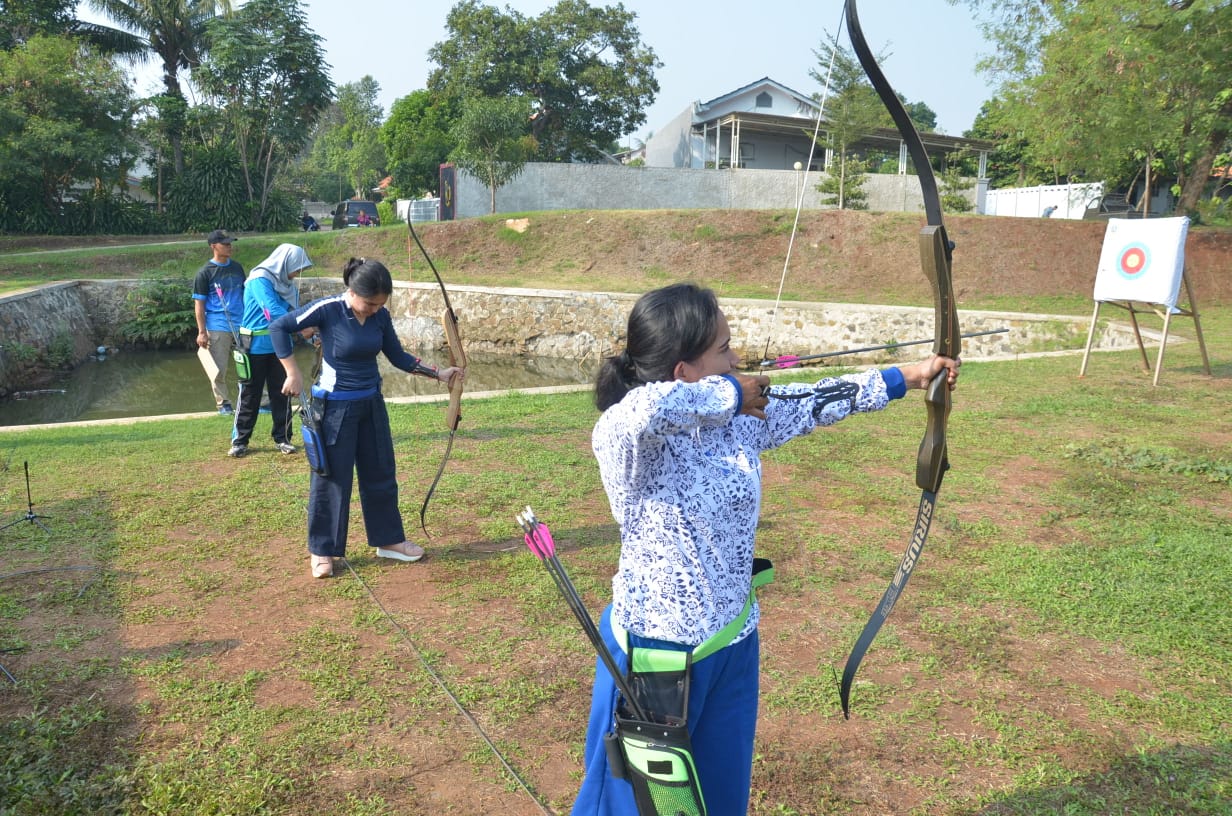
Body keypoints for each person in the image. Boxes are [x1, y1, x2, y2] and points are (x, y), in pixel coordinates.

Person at [574, 282, 960, 815]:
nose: (737, 360)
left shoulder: (737, 425)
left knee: (723, 792)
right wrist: (732, 393)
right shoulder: (630, 440)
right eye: (724, 350)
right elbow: (639, 411)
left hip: (732, 641)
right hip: (660, 655)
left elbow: (819, 400)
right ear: (683, 370)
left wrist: (907, 377)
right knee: (651, 807)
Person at [271, 257, 465, 579]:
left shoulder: (380, 317)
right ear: (352, 291)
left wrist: (439, 373)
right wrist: (292, 373)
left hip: (371, 404)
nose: (374, 309)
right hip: (334, 409)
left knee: (381, 473)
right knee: (332, 479)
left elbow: (398, 356)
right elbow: (279, 327)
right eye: (370, 303)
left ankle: (388, 540)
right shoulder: (328, 309)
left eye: (380, 304)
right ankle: (323, 550)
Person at [228, 244, 313, 459]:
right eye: (297, 268)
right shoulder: (259, 279)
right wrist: (302, 325)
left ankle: (283, 438)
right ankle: (240, 440)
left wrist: (313, 331)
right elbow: (272, 310)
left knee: (283, 393)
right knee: (249, 395)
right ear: (286, 263)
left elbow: (296, 311)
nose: (297, 274)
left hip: (281, 347)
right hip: (253, 346)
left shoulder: (288, 284)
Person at [192, 229, 245, 415]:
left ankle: (256, 400)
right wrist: (201, 331)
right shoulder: (204, 273)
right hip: (217, 325)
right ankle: (223, 403)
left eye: (230, 243)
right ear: (214, 246)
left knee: (248, 365)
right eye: (225, 244)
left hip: (242, 323)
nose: (230, 246)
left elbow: (244, 294)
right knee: (219, 369)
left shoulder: (237, 268)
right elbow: (199, 305)